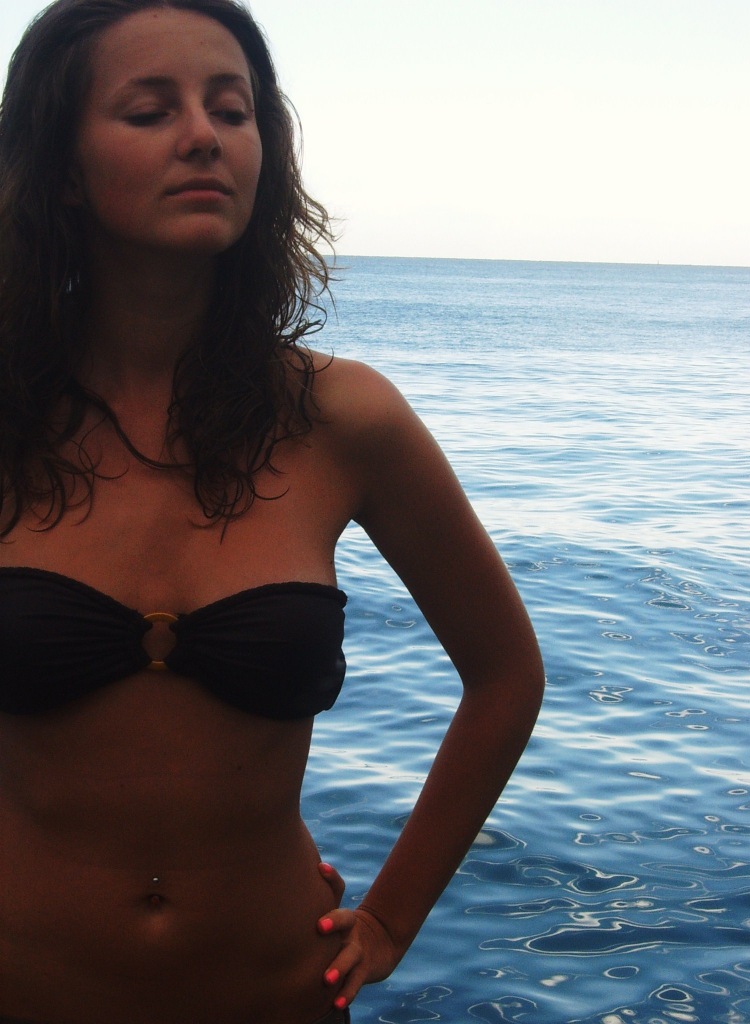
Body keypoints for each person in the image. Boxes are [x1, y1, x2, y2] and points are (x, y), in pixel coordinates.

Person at [0, 0, 545, 1021]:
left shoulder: (344, 419)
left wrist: (394, 917)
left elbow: (507, 675)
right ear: (63, 168)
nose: (204, 135)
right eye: (150, 110)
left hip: (275, 992)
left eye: (232, 108)